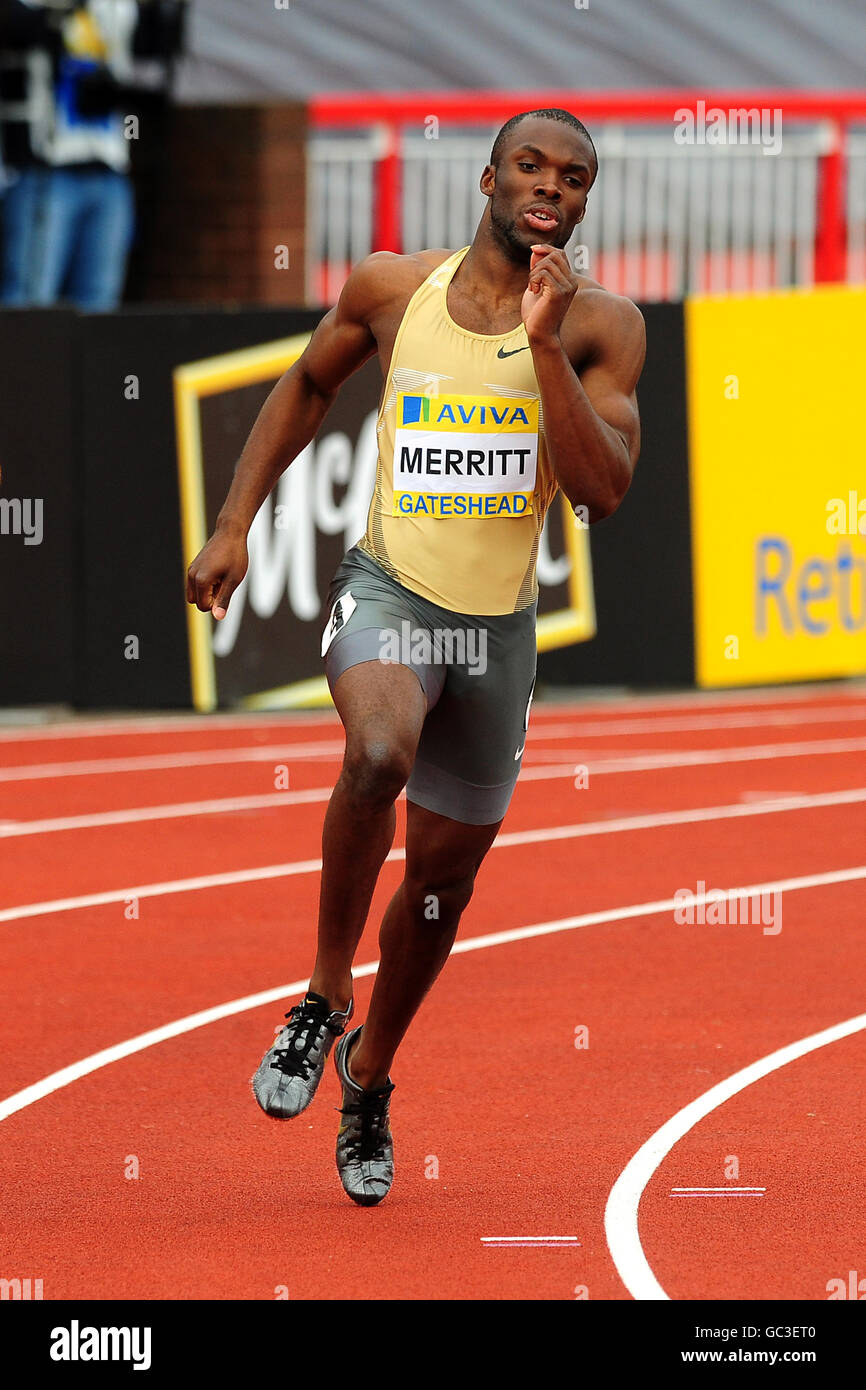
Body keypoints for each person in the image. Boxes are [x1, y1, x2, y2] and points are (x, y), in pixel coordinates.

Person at [186, 107, 646, 1207]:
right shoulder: (392, 288)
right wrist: (233, 521)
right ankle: (319, 994)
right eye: (529, 165)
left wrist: (540, 344)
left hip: (495, 629)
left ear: (584, 198)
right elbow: (305, 384)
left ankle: (370, 1075)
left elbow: (600, 492)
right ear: (488, 177)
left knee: (442, 885)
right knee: (378, 754)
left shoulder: (601, 328)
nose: (549, 186)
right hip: (389, 590)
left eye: (571, 175)